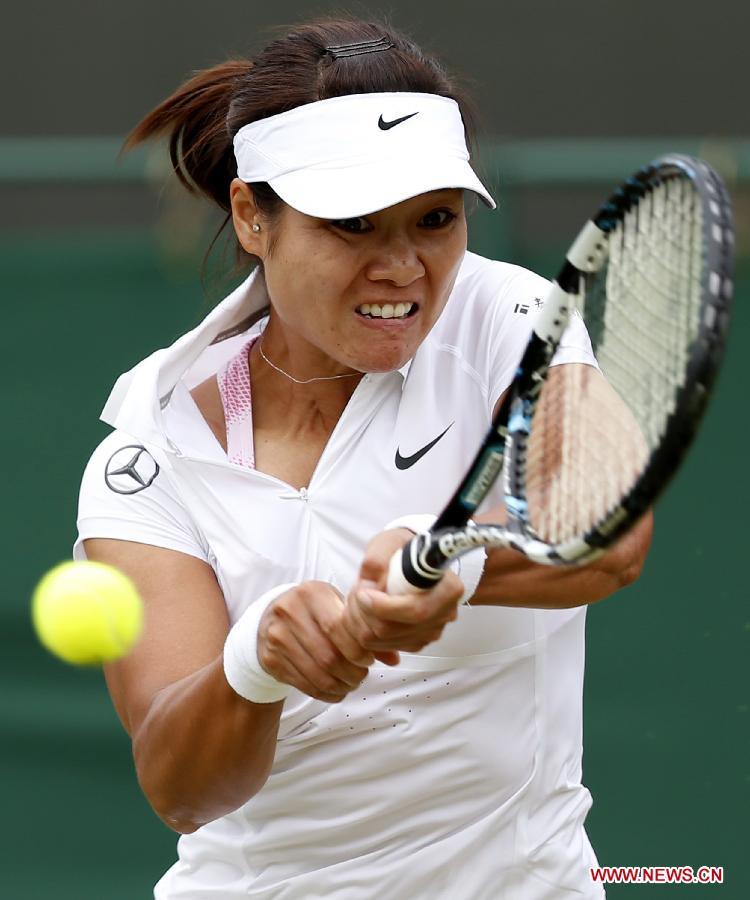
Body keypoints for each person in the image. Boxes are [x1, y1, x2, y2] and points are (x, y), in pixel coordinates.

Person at [75, 18, 652, 900]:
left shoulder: (509, 318)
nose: (403, 266)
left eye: (435, 220)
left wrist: (447, 556)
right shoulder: (149, 443)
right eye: (352, 224)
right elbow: (182, 789)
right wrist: (254, 661)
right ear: (250, 217)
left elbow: (608, 533)